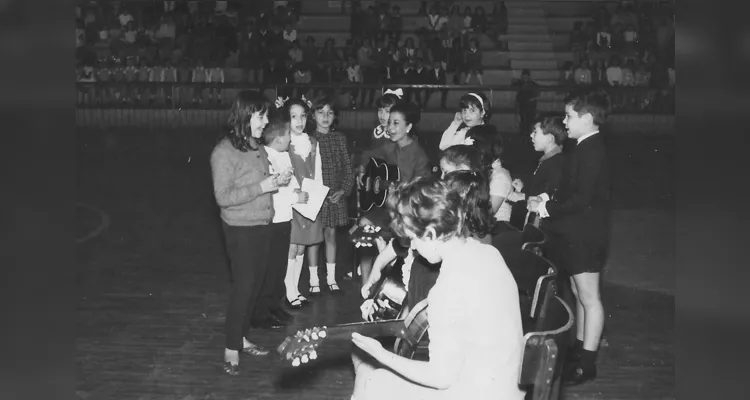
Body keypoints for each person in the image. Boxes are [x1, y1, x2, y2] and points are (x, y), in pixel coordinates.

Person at [350, 176, 526, 400]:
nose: (412, 246)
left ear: (431, 234)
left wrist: (381, 354)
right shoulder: (487, 253)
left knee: (369, 373)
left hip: (478, 393)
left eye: (413, 238)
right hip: (508, 387)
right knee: (368, 374)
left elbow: (441, 377)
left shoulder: (447, 288)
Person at [527, 91, 611, 385]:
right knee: (578, 293)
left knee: (589, 297)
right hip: (577, 232)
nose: (565, 121)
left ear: (587, 119)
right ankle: (578, 348)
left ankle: (587, 363)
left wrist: (547, 207)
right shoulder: (581, 147)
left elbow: (582, 200)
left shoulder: (593, 149)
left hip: (587, 234)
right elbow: (570, 190)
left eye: (569, 116)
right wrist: (548, 197)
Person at [210, 90, 292, 376]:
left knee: (255, 287)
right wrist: (262, 187)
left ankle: (241, 338)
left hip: (262, 224)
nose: (266, 121)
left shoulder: (255, 145)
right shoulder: (223, 152)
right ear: (246, 116)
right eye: (261, 116)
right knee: (244, 288)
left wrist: (275, 182)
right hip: (240, 230)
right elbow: (223, 196)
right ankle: (231, 348)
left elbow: (260, 182)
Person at [356, 103, 431, 285]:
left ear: (409, 127)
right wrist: (362, 169)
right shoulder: (388, 147)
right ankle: (366, 288)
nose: (390, 128)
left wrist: (401, 192)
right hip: (385, 208)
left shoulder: (419, 155)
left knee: (388, 235)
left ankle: (390, 282)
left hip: (406, 213)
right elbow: (367, 154)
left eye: (396, 123)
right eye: (389, 123)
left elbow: (421, 190)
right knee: (363, 227)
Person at [260, 118, 310, 326]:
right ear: (279, 139)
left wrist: (298, 191)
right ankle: (264, 311)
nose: (290, 139)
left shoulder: (282, 155)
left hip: (285, 218)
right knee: (270, 268)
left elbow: (290, 181)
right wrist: (294, 198)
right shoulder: (265, 158)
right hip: (273, 219)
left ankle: (275, 305)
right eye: (288, 135)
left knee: (280, 266)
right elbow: (274, 192)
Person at [280, 97, 323, 308]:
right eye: (293, 116)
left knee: (302, 247)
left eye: (303, 116)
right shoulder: (284, 143)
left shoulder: (313, 143)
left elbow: (318, 172)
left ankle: (296, 289)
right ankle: (288, 291)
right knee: (292, 246)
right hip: (293, 201)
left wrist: (317, 195)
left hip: (309, 201)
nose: (299, 121)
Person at [310, 95, 355, 295]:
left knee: (331, 236)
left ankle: (331, 277)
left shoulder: (339, 139)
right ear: (313, 116)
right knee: (312, 238)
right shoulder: (309, 140)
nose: (325, 117)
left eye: (329, 113)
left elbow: (348, 167)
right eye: (321, 112)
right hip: (314, 197)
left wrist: (343, 190)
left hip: (334, 196)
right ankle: (313, 279)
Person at [507, 115, 567, 228]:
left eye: (535, 132)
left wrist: (523, 196)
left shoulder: (556, 164)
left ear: (550, 138)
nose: (531, 135)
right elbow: (540, 189)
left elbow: (552, 198)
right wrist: (523, 189)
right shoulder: (548, 160)